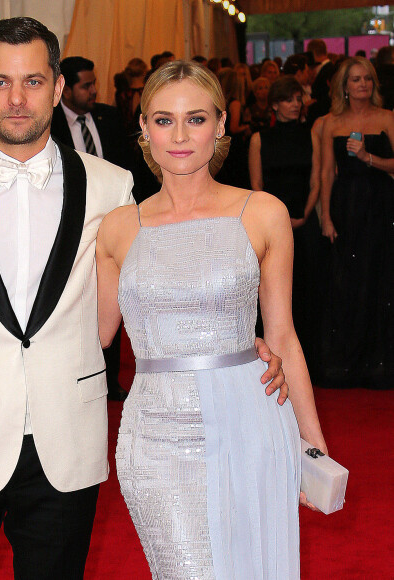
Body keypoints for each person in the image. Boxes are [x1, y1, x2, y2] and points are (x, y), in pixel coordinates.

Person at [0, 18, 287, 580]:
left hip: (66, 445)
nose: (17, 99)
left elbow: (148, 295)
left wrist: (238, 347)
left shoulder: (111, 186)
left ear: (58, 87)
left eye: (33, 81)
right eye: (0, 82)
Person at [96, 61, 326, 579]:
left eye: (195, 119)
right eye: (162, 120)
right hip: (152, 436)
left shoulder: (260, 213)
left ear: (221, 125)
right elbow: (95, 334)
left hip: (249, 422)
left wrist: (310, 445)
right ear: (143, 127)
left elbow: (283, 336)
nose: (178, 136)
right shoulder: (116, 227)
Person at [51, 55, 134, 400]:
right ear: (64, 88)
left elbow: (128, 166)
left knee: (111, 297)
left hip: (112, 220)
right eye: (85, 85)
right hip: (67, 226)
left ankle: (110, 378)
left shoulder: (109, 117)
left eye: (93, 83)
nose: (93, 90)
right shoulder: (50, 123)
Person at [319, 56, 394, 388]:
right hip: (345, 206)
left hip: (381, 206)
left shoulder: (388, 119)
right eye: (356, 80)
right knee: (348, 283)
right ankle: (347, 363)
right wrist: (325, 217)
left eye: (367, 79)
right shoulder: (331, 123)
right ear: (344, 87)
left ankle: (379, 364)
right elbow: (325, 172)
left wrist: (368, 158)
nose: (362, 85)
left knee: (381, 280)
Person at [249, 75, 324, 375]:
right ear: (275, 105)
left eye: (298, 99)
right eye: (289, 99)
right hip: (270, 226)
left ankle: (308, 361)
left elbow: (316, 180)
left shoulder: (311, 135)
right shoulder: (259, 139)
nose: (296, 104)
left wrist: (304, 214)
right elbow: (256, 186)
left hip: (304, 222)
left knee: (307, 289)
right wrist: (275, 222)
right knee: (272, 291)